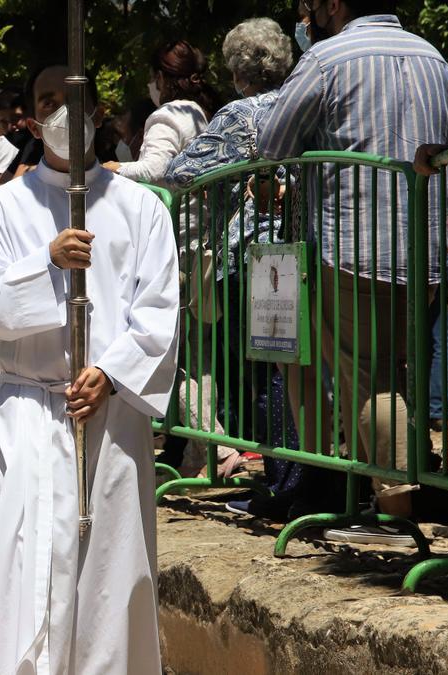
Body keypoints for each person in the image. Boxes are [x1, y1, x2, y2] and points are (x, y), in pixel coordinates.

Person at [0, 64, 180, 674]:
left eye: (72, 98)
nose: (60, 110)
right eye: (47, 100)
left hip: (108, 412)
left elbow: (159, 308)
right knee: (23, 554)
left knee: (109, 564)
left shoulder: (140, 208)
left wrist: (110, 373)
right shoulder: (0, 209)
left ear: (98, 111)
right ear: (29, 117)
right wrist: (47, 261)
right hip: (30, 407)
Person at [256, 0, 448, 546]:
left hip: (352, 247)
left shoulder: (327, 58)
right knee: (390, 377)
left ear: (336, 4)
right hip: (424, 250)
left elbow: (271, 145)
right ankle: (390, 500)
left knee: (370, 383)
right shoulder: (433, 58)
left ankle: (396, 516)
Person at [163, 17, 300, 502]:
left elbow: (181, 172)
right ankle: (299, 480)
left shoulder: (241, 114)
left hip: (255, 254)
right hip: (304, 247)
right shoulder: (303, 102)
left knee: (267, 372)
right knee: (297, 368)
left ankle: (287, 485)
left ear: (238, 70)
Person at [103, 40, 215, 183]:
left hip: (171, 205)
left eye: (151, 77)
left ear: (160, 78)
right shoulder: (197, 111)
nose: (149, 84)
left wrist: (112, 167)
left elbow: (154, 170)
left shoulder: (166, 116)